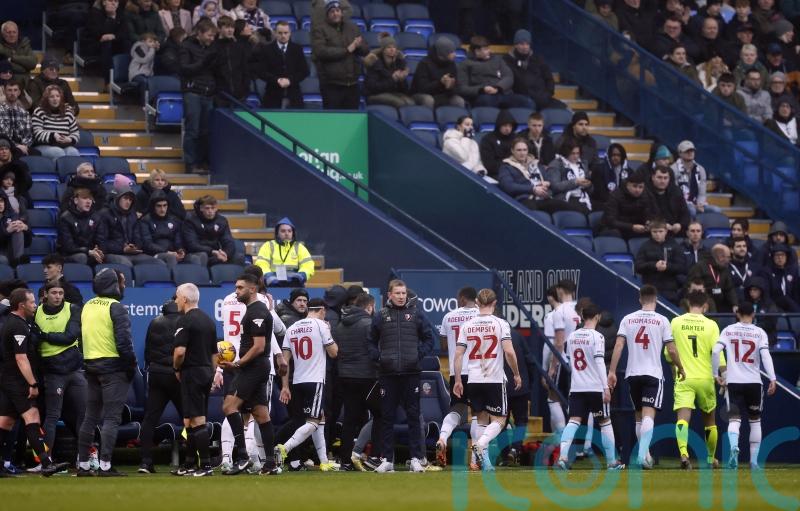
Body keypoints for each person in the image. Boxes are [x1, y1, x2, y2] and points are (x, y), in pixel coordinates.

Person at [217, 264, 287, 473]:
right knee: (261, 415)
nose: (236, 291)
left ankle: (241, 456)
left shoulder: (257, 310)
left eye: (240, 288)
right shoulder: (255, 308)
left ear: (252, 289)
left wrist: (238, 363)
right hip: (255, 366)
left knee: (229, 407)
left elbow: (258, 346)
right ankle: (270, 464)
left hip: (252, 367)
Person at [608, 285, 685, 468]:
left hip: (632, 374)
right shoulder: (662, 320)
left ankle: (646, 455)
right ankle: (642, 455)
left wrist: (611, 371)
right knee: (649, 415)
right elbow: (672, 349)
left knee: (638, 417)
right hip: (653, 374)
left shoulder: (628, 319)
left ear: (640, 299)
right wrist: (680, 367)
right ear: (656, 300)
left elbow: (618, 346)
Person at [0, 288, 71, 477]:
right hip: (17, 381)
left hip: (8, 380)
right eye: (31, 302)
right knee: (32, 417)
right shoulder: (17, 326)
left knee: (5, 422)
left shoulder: (18, 323)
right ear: (21, 305)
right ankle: (46, 463)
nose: (35, 305)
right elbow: (21, 358)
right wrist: (32, 383)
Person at [451, 289, 521, 471]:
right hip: (494, 379)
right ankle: (481, 444)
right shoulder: (500, 323)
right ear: (494, 303)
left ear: (477, 303)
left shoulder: (467, 325)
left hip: (473, 379)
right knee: (500, 421)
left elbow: (458, 355)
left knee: (481, 420)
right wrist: (516, 373)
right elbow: (509, 352)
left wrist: (458, 379)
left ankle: (484, 462)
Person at [369, 279, 435, 473]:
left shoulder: (416, 314)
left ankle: (416, 458)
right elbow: (370, 342)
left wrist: (417, 355)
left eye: (403, 293)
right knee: (387, 417)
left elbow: (430, 338)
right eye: (397, 293)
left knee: (414, 417)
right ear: (389, 295)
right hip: (388, 374)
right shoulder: (380, 316)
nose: (400, 296)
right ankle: (387, 460)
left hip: (411, 373)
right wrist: (379, 358)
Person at [77, 268, 136, 476]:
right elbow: (124, 342)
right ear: (113, 284)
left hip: (90, 366)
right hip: (113, 368)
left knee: (90, 417)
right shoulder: (116, 307)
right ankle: (105, 466)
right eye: (121, 282)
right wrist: (130, 367)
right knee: (111, 418)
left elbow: (81, 339)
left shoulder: (87, 305)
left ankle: (83, 465)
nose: (124, 285)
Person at [553, 303, 624, 471]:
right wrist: (605, 387)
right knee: (605, 421)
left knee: (573, 421)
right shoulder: (597, 337)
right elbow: (599, 362)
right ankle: (612, 461)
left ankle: (563, 456)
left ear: (582, 317)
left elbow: (570, 360)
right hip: (595, 387)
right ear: (597, 317)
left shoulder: (572, 337)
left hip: (577, 387)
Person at [275, 298, 339, 471]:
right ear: (322, 310)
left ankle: (324, 461)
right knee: (313, 422)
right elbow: (334, 353)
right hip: (315, 380)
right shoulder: (321, 326)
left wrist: (285, 386)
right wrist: (329, 334)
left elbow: (284, 363)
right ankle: (284, 449)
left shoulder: (292, 328)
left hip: (297, 382)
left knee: (320, 418)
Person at [712, 302, 776, 469]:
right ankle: (754, 461)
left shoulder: (728, 330)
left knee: (734, 418)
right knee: (755, 420)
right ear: (753, 314)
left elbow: (715, 351)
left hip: (734, 382)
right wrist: (773, 378)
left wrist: (715, 374)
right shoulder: (759, 332)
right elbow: (766, 355)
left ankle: (734, 447)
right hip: (754, 382)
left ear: (737, 313)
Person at [670, 290, 723, 470]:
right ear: (705, 305)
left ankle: (684, 454)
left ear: (687, 303)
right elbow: (717, 353)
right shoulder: (711, 325)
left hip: (684, 376)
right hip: (705, 377)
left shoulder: (676, 322)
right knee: (710, 421)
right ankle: (710, 458)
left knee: (683, 418)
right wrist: (721, 374)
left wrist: (676, 369)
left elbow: (670, 353)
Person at [35, 281, 85, 465]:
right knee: (51, 417)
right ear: (46, 295)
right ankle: (44, 460)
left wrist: (45, 336)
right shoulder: (37, 312)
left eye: (60, 293)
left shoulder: (73, 309)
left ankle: (85, 459)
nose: (57, 296)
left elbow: (69, 337)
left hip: (74, 369)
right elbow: (33, 341)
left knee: (83, 414)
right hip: (52, 371)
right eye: (54, 292)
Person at [171, 283, 217, 476]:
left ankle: (205, 465)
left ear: (184, 299)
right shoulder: (209, 320)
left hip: (192, 372)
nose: (175, 301)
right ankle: (189, 464)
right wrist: (211, 374)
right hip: (206, 371)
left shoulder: (185, 321)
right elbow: (215, 354)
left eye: (176, 297)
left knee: (197, 419)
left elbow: (180, 352)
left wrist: (176, 368)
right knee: (189, 420)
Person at [433, 287, 479, 467]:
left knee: (456, 410)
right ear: (475, 300)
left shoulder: (448, 316)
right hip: (478, 372)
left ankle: (442, 438)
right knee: (478, 413)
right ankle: (475, 460)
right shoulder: (481, 316)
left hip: (457, 372)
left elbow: (444, 346)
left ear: (461, 299)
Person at [137, 298, 181, 474]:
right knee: (190, 418)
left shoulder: (154, 322)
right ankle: (194, 461)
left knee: (149, 419)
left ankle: (145, 462)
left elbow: (147, 352)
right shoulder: (184, 322)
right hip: (176, 375)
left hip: (156, 375)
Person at [498, 138, 585, 214]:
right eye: (519, 150)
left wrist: (546, 184)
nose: (522, 153)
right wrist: (533, 189)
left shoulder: (535, 163)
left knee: (569, 208)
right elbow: (508, 186)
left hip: (543, 198)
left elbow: (549, 181)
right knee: (533, 213)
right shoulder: (506, 166)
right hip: (525, 199)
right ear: (512, 151)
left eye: (524, 150)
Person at [311, 0, 369, 110]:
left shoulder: (353, 27)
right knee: (332, 121)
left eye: (338, 10)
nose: (335, 13)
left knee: (351, 120)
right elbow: (321, 52)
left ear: (342, 12)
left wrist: (358, 46)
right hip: (331, 85)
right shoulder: (320, 30)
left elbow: (365, 50)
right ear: (327, 15)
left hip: (352, 84)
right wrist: (347, 50)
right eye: (332, 11)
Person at [179, 18, 218, 173]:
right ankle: (190, 163)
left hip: (208, 92)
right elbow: (184, 68)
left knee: (205, 131)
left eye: (213, 36)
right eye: (209, 35)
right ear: (199, 33)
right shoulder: (186, 46)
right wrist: (203, 62)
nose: (211, 38)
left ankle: (202, 162)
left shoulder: (212, 48)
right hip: (192, 92)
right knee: (193, 129)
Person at [457, 36, 532, 109]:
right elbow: (463, 88)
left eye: (488, 48)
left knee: (527, 102)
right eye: (486, 49)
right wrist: (482, 89)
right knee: (486, 101)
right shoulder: (465, 64)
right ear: (477, 51)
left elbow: (509, 76)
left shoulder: (497, 59)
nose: (489, 51)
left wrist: (498, 88)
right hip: (483, 96)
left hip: (502, 93)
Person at [503, 29, 562, 110]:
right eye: (522, 44)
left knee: (563, 110)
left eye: (527, 44)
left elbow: (549, 79)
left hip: (542, 98)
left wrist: (547, 95)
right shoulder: (507, 60)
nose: (525, 47)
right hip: (520, 100)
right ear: (515, 45)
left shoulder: (538, 60)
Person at [96, 189, 156, 267]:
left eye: (130, 200)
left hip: (132, 253)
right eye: (125, 198)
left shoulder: (133, 215)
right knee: (126, 265)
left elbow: (138, 237)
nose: (128, 202)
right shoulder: (105, 214)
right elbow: (102, 243)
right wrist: (122, 249)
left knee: (158, 263)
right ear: (117, 198)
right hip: (112, 253)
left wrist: (135, 246)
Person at [258, 21, 309, 109]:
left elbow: (304, 71)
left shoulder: (297, 49)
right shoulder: (266, 50)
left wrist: (290, 80)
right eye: (280, 33)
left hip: (294, 95)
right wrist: (277, 80)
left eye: (286, 33)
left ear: (290, 33)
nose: (283, 36)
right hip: (272, 94)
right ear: (275, 33)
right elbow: (262, 72)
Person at [634, 219, 685, 304]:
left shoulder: (674, 245)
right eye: (655, 232)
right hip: (650, 289)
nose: (658, 234)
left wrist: (667, 267)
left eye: (660, 231)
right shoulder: (645, 246)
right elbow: (638, 267)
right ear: (651, 232)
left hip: (670, 289)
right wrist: (654, 265)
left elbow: (682, 267)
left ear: (666, 231)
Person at [182, 195, 242, 267]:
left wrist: (226, 253)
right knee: (202, 256)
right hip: (196, 253)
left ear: (216, 208)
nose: (210, 211)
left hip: (216, 253)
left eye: (213, 208)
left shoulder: (222, 221)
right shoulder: (190, 220)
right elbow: (192, 245)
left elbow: (228, 241)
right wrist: (212, 251)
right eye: (207, 208)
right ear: (201, 208)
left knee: (238, 257)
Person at [254, 217, 314, 287]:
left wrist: (300, 276)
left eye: (289, 231)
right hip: (272, 284)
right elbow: (261, 264)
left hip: (295, 285)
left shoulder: (299, 247)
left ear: (293, 233)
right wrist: (269, 277)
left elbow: (308, 265)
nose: (286, 233)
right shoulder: (268, 246)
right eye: (283, 231)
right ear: (277, 233)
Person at [137, 190, 189, 269]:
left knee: (194, 258)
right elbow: (148, 244)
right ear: (153, 206)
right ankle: (173, 280)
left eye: (165, 205)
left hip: (173, 253)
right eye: (159, 206)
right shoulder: (145, 220)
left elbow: (178, 240)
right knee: (170, 257)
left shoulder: (174, 220)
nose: (162, 209)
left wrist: (180, 250)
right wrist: (167, 252)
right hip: (153, 254)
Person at [410, 36, 465, 109]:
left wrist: (450, 87)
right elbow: (422, 88)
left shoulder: (451, 64)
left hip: (443, 94)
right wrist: (440, 82)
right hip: (422, 94)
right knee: (428, 100)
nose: (455, 54)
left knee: (458, 100)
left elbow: (457, 88)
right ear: (444, 53)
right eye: (451, 52)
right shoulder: (424, 64)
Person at [83, 0, 132, 81]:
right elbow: (98, 33)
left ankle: (126, 78)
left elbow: (125, 33)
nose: (113, 3)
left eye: (116, 1)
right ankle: (107, 80)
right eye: (110, 1)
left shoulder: (121, 14)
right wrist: (111, 18)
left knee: (127, 43)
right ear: (104, 2)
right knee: (107, 44)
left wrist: (113, 36)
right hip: (95, 45)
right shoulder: (95, 13)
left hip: (113, 43)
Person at [363, 34, 414, 108]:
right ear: (383, 50)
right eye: (389, 47)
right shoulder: (375, 63)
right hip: (375, 94)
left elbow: (404, 90)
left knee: (411, 103)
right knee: (399, 103)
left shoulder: (399, 63)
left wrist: (401, 80)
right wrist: (393, 79)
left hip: (393, 93)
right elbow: (373, 87)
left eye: (394, 47)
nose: (392, 49)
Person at [31, 85, 80, 161]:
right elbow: (36, 133)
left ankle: (72, 173)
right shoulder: (39, 111)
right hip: (44, 145)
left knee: (73, 152)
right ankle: (58, 172)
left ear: (61, 98)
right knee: (57, 152)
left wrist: (70, 139)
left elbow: (75, 133)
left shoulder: (68, 112)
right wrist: (53, 136)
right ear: (47, 99)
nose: (55, 99)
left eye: (57, 96)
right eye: (51, 97)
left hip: (64, 145)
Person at [670, 140, 719, 216]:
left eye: (692, 150)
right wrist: (691, 204)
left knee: (716, 210)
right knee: (691, 210)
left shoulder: (701, 169)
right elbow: (675, 193)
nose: (690, 153)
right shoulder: (673, 169)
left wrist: (700, 204)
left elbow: (702, 193)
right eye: (687, 151)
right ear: (680, 153)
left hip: (697, 203)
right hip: (680, 204)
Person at [599, 172, 653, 240]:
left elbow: (647, 213)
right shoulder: (615, 196)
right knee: (614, 233)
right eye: (634, 186)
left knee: (655, 232)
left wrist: (648, 221)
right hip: (613, 228)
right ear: (627, 185)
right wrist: (631, 227)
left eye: (640, 187)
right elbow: (611, 221)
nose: (637, 190)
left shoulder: (645, 196)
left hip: (634, 228)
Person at [57, 188, 104, 265]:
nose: (88, 201)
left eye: (90, 199)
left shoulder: (96, 217)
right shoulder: (65, 218)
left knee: (104, 257)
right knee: (82, 257)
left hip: (91, 252)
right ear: (76, 200)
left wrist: (99, 250)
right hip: (69, 255)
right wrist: (88, 251)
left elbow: (101, 240)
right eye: (85, 198)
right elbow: (68, 246)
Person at [687, 244, 739, 313]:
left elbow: (729, 289)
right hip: (703, 303)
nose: (729, 259)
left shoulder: (725, 268)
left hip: (721, 303)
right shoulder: (700, 267)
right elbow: (694, 286)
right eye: (728, 257)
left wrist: (735, 304)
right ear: (720, 257)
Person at [546, 140, 594, 214]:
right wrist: (575, 182)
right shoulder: (556, 164)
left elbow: (590, 189)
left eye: (577, 153)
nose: (576, 156)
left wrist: (589, 185)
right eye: (572, 153)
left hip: (584, 198)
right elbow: (555, 187)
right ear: (566, 152)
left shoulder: (583, 164)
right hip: (566, 199)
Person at [214, 15, 250, 107]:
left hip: (239, 96)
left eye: (232, 27)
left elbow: (245, 68)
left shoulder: (239, 46)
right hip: (220, 95)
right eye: (227, 27)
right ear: (219, 28)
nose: (230, 30)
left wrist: (245, 89)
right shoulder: (213, 47)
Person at [646, 165, 691, 236]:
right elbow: (646, 215)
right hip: (655, 231)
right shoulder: (645, 192)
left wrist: (680, 224)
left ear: (669, 179)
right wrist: (662, 225)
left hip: (674, 230)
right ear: (653, 178)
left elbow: (685, 213)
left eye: (665, 178)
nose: (662, 181)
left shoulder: (676, 191)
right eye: (659, 177)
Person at [590, 143, 635, 212]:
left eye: (618, 155)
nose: (616, 158)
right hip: (603, 203)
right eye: (613, 155)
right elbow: (599, 193)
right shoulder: (599, 169)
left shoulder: (629, 172)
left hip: (623, 204)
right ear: (609, 156)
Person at [758, 244, 800, 312]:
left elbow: (796, 293)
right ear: (772, 257)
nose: (780, 257)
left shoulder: (793, 271)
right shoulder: (766, 272)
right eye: (777, 255)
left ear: (787, 257)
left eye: (782, 255)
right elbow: (766, 295)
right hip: (774, 305)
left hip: (792, 305)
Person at [479, 109, 517, 178]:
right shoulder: (488, 139)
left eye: (510, 126)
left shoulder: (516, 139)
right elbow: (489, 164)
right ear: (499, 125)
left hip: (517, 172)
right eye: (505, 125)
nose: (508, 129)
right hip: (495, 174)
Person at [0, 80, 34, 156]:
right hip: (4, 147)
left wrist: (25, 146)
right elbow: (2, 135)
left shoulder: (25, 113)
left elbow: (29, 134)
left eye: (15, 90)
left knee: (37, 154)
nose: (12, 93)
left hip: (23, 147)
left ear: (19, 93)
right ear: (4, 92)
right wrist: (16, 146)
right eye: (9, 90)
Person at [128, 32, 159, 99]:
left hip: (148, 74)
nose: (152, 43)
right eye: (150, 41)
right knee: (144, 82)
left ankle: (152, 103)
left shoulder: (150, 49)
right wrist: (153, 49)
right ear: (143, 41)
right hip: (136, 74)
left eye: (153, 42)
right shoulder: (138, 48)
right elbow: (144, 59)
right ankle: (144, 104)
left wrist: (156, 48)